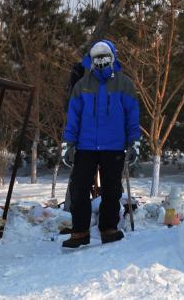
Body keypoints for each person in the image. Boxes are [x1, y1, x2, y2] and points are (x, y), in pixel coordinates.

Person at [60, 40, 141, 248]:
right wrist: (68, 144)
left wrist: (134, 143)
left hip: (114, 146)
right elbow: (73, 117)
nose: (102, 61)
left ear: (113, 57)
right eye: (97, 57)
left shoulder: (124, 84)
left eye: (105, 57)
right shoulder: (82, 85)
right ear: (91, 60)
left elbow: (132, 117)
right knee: (79, 189)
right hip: (85, 146)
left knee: (112, 190)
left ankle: (109, 229)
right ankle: (79, 233)